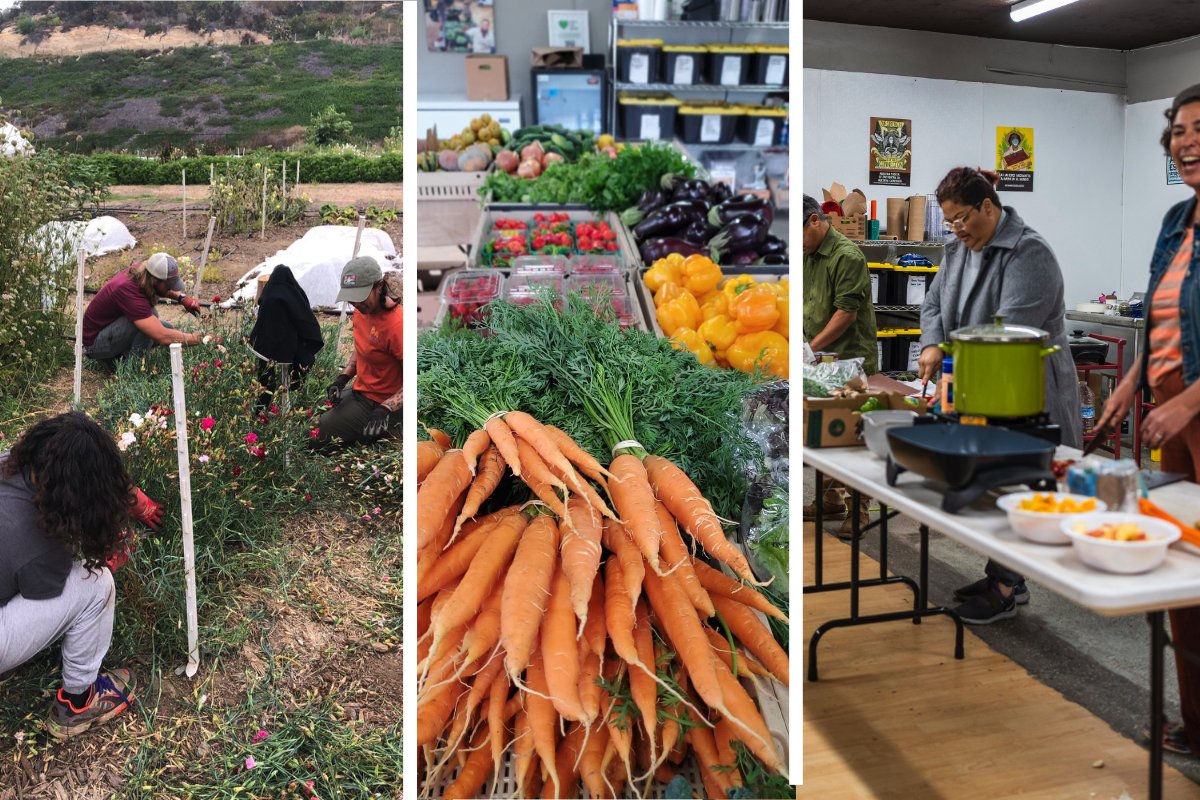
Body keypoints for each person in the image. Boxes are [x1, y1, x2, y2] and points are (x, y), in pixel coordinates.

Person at [917, 166, 1081, 625]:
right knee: (995, 479)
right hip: (977, 382)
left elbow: (1007, 337)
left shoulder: (1029, 254)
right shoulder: (957, 251)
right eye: (949, 221)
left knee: (1020, 478)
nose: (956, 229)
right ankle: (1003, 574)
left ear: (989, 206)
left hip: (1023, 387)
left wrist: (952, 373)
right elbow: (932, 304)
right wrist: (932, 343)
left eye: (962, 218)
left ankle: (1006, 588)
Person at [1095, 82, 1200, 757]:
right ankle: (1197, 722)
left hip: (1192, 404)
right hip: (1168, 402)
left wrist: (1189, 400)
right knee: (1181, 564)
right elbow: (1158, 323)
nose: (1187, 141)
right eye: (1180, 131)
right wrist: (1130, 384)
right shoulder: (1175, 221)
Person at [0, 412, 162, 738]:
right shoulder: (43, 549)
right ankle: (78, 702)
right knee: (95, 583)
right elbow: (42, 588)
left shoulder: (10, 463)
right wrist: (110, 559)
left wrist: (129, 493)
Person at [802, 193, 879, 535]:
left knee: (853, 435)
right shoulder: (807, 253)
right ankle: (831, 498)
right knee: (824, 431)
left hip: (850, 359)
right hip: (820, 358)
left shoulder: (846, 256)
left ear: (815, 221)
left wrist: (809, 348)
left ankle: (859, 509)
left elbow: (846, 314)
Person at [313, 256, 402, 449]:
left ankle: (388, 431)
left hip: (381, 404)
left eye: (360, 296)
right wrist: (342, 379)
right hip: (361, 392)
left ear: (379, 286)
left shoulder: (397, 324)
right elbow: (361, 350)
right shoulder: (362, 312)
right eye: (351, 298)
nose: (356, 303)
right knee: (316, 410)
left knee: (318, 434)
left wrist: (386, 408)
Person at [82, 252, 205, 367]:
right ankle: (133, 369)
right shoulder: (128, 292)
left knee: (168, 328)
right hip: (95, 344)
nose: (171, 288)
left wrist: (181, 298)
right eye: (169, 285)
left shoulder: (143, 272)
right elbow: (162, 336)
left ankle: (120, 359)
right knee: (150, 325)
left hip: (109, 331)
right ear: (155, 280)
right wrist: (200, 338)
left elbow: (161, 289)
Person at [248, 266, 324, 410]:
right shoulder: (295, 294)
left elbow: (260, 313)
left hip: (267, 346)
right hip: (289, 347)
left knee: (266, 380)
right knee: (286, 381)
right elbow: (305, 318)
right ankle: (285, 410)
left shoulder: (268, 295)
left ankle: (261, 410)